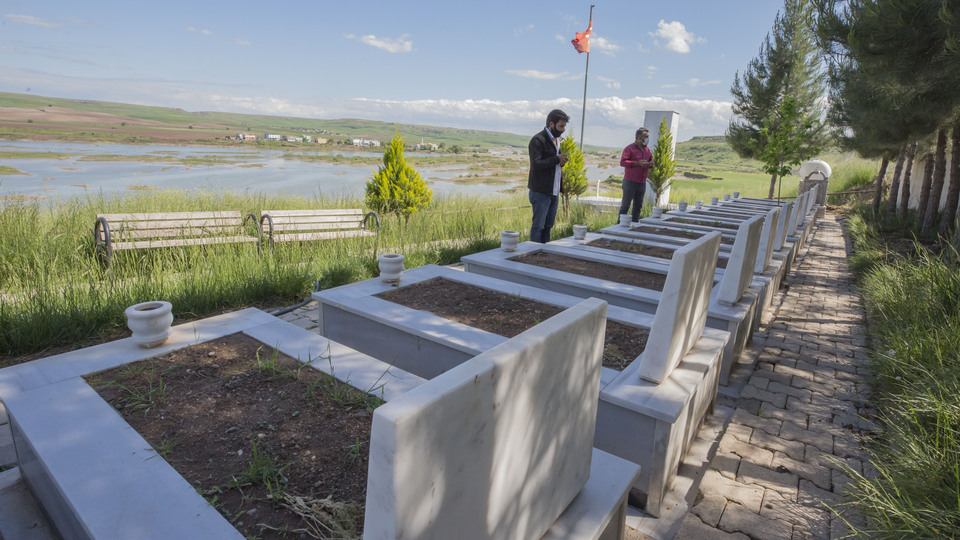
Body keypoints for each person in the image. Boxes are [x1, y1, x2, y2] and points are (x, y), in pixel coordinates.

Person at [527, 109, 569, 243]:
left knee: (548, 226)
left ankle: (544, 252)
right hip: (540, 192)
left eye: (564, 127)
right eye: (561, 126)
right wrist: (557, 159)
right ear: (551, 124)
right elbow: (537, 164)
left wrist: (561, 161)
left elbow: (553, 165)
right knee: (538, 226)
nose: (563, 130)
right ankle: (534, 254)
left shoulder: (557, 140)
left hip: (554, 191)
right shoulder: (538, 140)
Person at [619, 127, 653, 223]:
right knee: (625, 206)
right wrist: (637, 163)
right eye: (645, 137)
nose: (647, 139)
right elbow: (623, 162)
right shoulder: (629, 148)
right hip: (630, 182)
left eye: (648, 137)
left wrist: (651, 164)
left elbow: (650, 160)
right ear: (638, 137)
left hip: (642, 182)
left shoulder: (647, 150)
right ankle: (618, 227)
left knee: (638, 206)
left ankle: (634, 225)